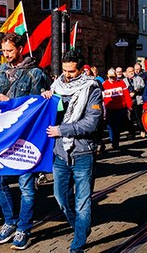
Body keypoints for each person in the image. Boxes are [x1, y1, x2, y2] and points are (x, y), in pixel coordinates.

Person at [0, 32, 50, 250]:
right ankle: (9, 221)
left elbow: (37, 106)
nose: (6, 55)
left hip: (25, 138)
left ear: (21, 49)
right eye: (3, 51)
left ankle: (24, 227)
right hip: (3, 137)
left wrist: (12, 102)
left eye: (10, 51)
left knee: (26, 186)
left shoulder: (35, 74)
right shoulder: (1, 70)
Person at [44, 50, 102, 253]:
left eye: (72, 71)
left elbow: (92, 122)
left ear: (81, 68)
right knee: (60, 198)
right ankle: (81, 227)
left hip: (83, 152)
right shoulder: (57, 85)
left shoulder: (92, 87)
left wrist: (62, 130)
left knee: (82, 202)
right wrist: (47, 99)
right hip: (60, 152)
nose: (67, 75)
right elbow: (51, 113)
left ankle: (77, 244)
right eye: (65, 70)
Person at [102, 68, 132, 150]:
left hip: (120, 108)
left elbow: (126, 95)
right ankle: (114, 142)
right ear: (108, 76)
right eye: (110, 77)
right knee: (110, 126)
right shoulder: (104, 85)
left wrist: (129, 106)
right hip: (109, 109)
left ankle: (116, 140)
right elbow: (102, 98)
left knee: (117, 126)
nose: (112, 79)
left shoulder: (121, 83)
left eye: (113, 77)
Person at [126, 66, 146, 138]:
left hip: (138, 100)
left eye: (132, 71)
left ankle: (142, 130)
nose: (131, 72)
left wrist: (135, 92)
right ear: (126, 73)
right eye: (129, 71)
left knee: (139, 117)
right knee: (129, 118)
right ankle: (132, 133)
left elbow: (142, 88)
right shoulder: (124, 81)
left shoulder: (139, 78)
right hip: (129, 101)